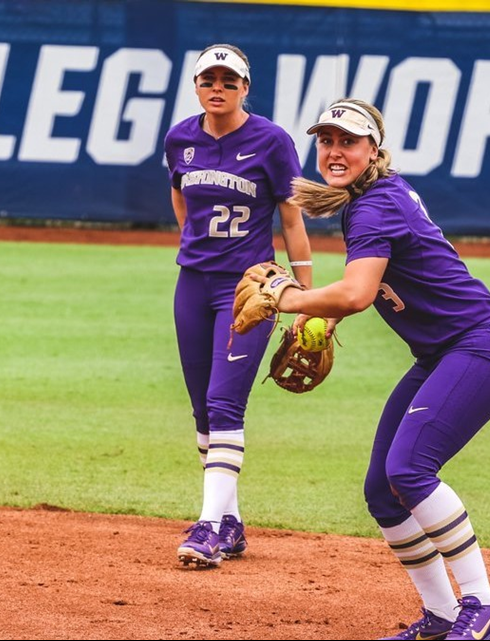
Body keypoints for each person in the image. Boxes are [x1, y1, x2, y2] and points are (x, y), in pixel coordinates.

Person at [275, 99, 490, 640]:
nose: (335, 151)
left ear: (374, 151)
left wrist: (288, 297)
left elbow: (360, 293)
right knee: (383, 493)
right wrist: (321, 315)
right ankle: (441, 615)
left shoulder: (373, 205)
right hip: (445, 354)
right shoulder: (370, 197)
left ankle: (484, 605)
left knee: (409, 470)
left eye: (349, 142)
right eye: (327, 141)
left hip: (479, 349)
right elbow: (364, 287)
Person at [163, 44, 312, 567]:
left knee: (227, 403)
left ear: (245, 87)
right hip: (193, 285)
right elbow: (180, 195)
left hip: (249, 288)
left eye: (229, 80)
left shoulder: (271, 141)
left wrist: (304, 296)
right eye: (209, 80)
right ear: (197, 86)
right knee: (203, 407)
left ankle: (206, 527)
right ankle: (229, 522)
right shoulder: (180, 138)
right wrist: (192, 242)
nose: (218, 88)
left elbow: (291, 219)